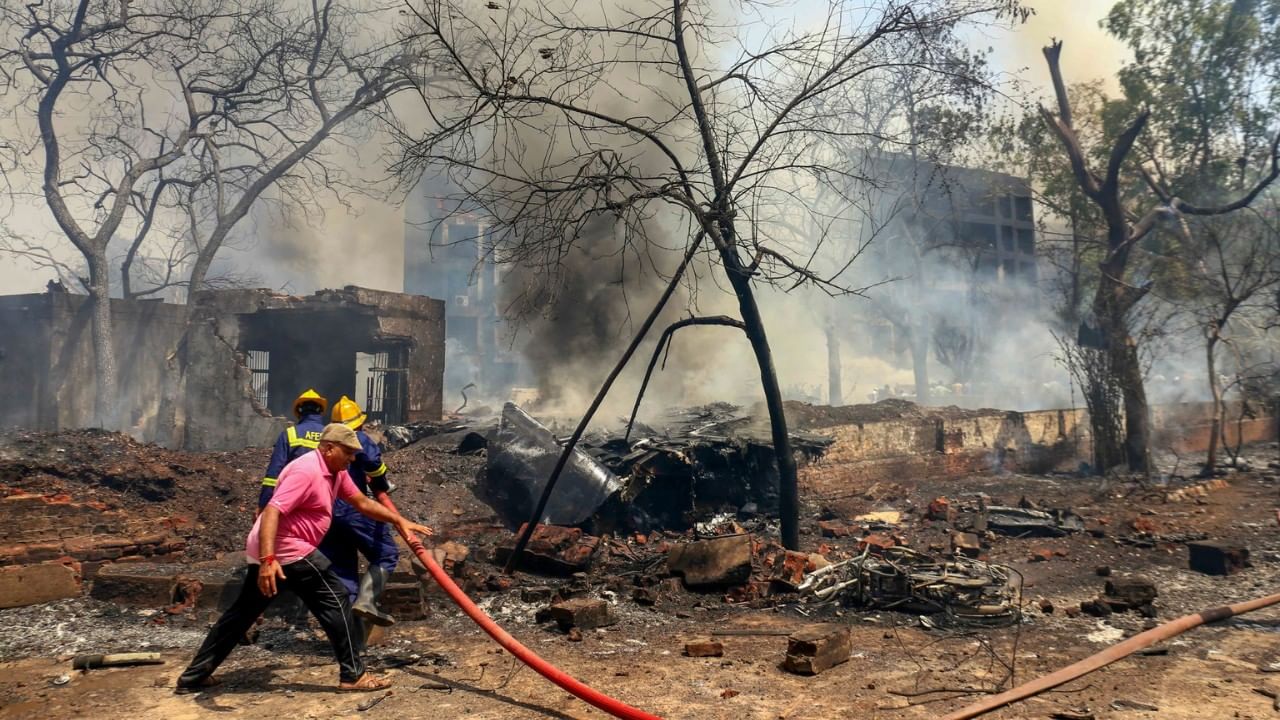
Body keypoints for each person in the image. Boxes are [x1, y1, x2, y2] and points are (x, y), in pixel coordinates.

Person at [176, 423, 433, 693]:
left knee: (242, 614)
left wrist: (399, 520)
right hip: (287, 550)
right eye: (348, 452)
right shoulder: (306, 470)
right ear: (329, 448)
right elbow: (273, 511)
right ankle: (353, 675)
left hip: (275, 551)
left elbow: (361, 502)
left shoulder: (336, 471)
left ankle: (194, 676)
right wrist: (268, 560)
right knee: (337, 601)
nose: (352, 459)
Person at [319, 395, 399, 635]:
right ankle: (366, 601)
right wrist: (382, 485)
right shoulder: (359, 438)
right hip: (353, 509)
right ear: (360, 423)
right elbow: (374, 465)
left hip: (328, 513)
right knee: (386, 553)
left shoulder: (326, 445)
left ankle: (351, 636)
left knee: (343, 570)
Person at [259, 389, 330, 514]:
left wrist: (264, 505)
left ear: (299, 411)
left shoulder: (290, 434)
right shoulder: (330, 435)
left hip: (293, 500)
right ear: (320, 410)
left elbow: (273, 474)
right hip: (323, 501)